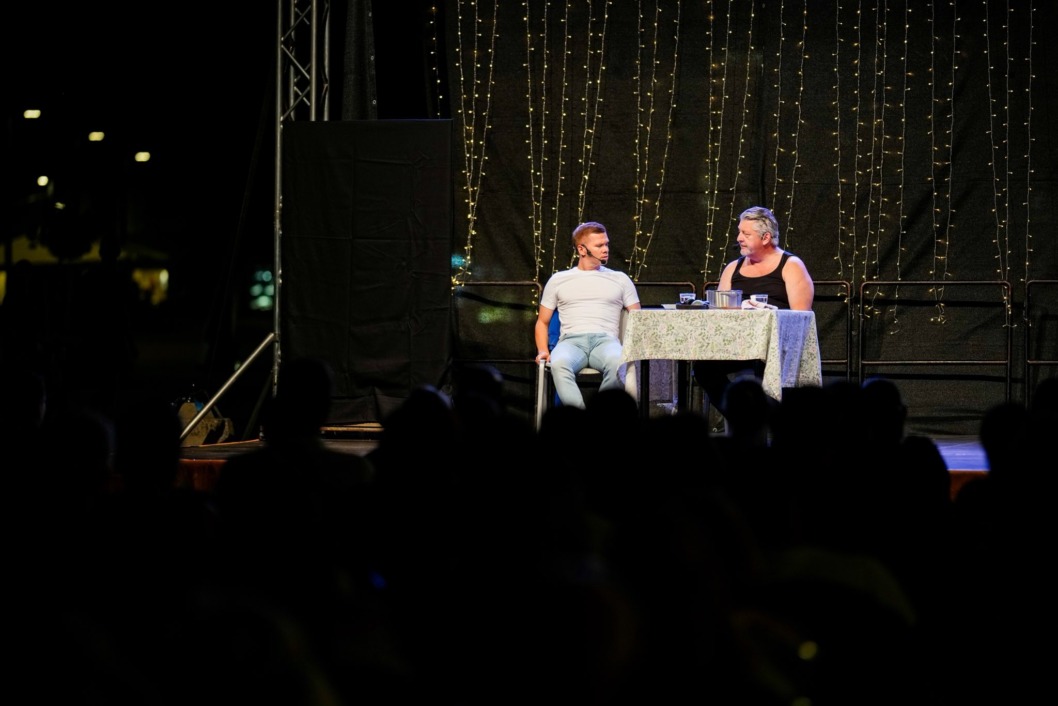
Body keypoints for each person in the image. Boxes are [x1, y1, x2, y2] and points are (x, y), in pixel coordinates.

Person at [692, 206, 814, 425]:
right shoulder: (733, 268)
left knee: (770, 371)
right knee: (703, 366)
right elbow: (719, 313)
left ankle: (771, 423)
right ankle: (745, 419)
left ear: (765, 237)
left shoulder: (791, 265)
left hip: (776, 347)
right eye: (739, 232)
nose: (739, 238)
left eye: (746, 234)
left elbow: (801, 318)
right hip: (737, 344)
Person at [534, 221, 641, 409]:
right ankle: (583, 419)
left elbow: (638, 318)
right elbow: (542, 321)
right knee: (559, 364)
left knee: (618, 362)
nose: (605, 249)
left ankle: (598, 416)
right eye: (599, 245)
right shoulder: (559, 280)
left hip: (606, 340)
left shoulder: (620, 279)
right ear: (582, 249)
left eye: (606, 244)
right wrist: (543, 349)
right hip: (571, 341)